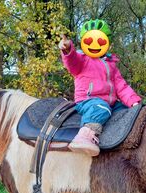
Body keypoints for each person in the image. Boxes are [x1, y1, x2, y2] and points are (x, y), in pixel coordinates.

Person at [59, 19, 141, 156]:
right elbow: (71, 62)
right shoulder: (81, 59)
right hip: (88, 100)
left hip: (111, 103)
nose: (95, 44)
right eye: (90, 40)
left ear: (107, 43)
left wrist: (133, 101)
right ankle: (85, 135)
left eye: (100, 41)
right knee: (101, 109)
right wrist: (68, 50)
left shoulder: (111, 64)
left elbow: (121, 86)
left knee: (129, 112)